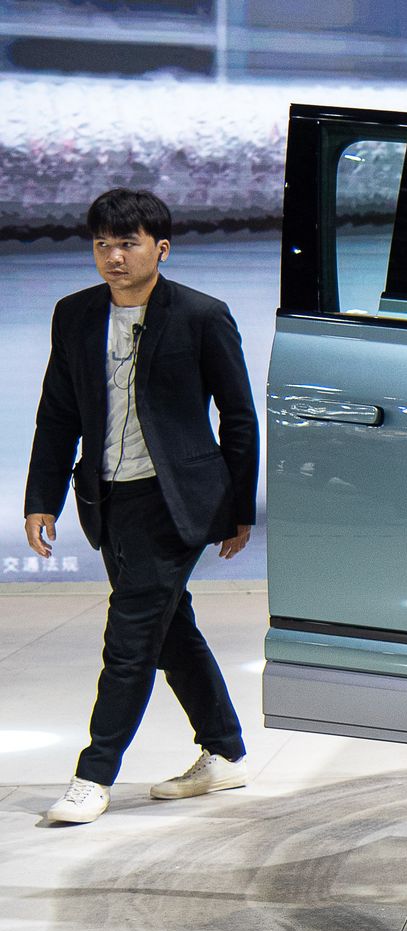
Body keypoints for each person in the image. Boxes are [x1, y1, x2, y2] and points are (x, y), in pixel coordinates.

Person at [25, 189, 259, 825]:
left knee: (129, 638)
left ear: (160, 247)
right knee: (168, 630)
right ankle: (225, 752)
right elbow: (58, 412)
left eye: (127, 243)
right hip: (107, 498)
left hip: (176, 500)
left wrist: (241, 508)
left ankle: (93, 774)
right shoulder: (73, 315)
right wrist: (40, 498)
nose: (113, 256)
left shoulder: (202, 315)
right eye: (102, 244)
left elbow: (238, 416)